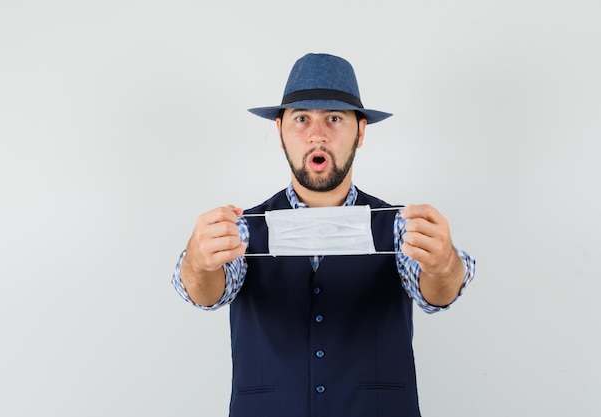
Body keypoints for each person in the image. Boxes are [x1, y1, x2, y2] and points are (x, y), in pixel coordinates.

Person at [172, 53, 476, 417]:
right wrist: (198, 261)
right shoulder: (243, 228)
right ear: (281, 132)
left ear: (360, 132)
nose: (317, 135)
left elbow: (437, 295)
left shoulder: (400, 225)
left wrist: (443, 266)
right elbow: (205, 295)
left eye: (334, 118)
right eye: (301, 119)